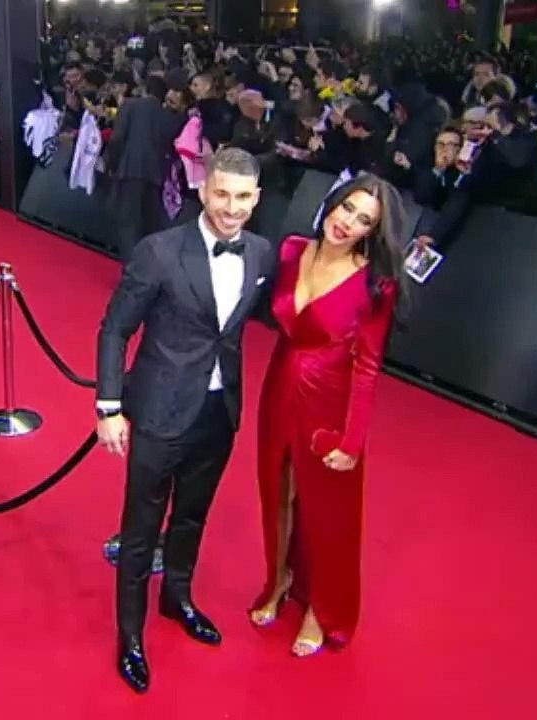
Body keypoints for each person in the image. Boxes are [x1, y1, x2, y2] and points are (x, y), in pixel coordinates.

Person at [96, 147, 276, 693]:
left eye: (243, 197)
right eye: (221, 193)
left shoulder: (263, 253)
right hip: (156, 410)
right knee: (139, 530)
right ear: (203, 190)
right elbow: (114, 329)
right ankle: (130, 636)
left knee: (192, 516)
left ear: (257, 198)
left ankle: (177, 599)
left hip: (219, 414)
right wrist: (109, 407)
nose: (231, 208)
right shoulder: (159, 251)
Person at [248, 174, 405, 657]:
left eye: (364, 221)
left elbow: (369, 366)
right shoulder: (292, 250)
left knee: (326, 513)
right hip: (278, 388)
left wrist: (352, 440)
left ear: (372, 232)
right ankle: (278, 581)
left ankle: (321, 607)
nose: (348, 223)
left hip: (330, 404)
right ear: (332, 203)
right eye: (347, 209)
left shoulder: (376, 284)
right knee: (278, 493)